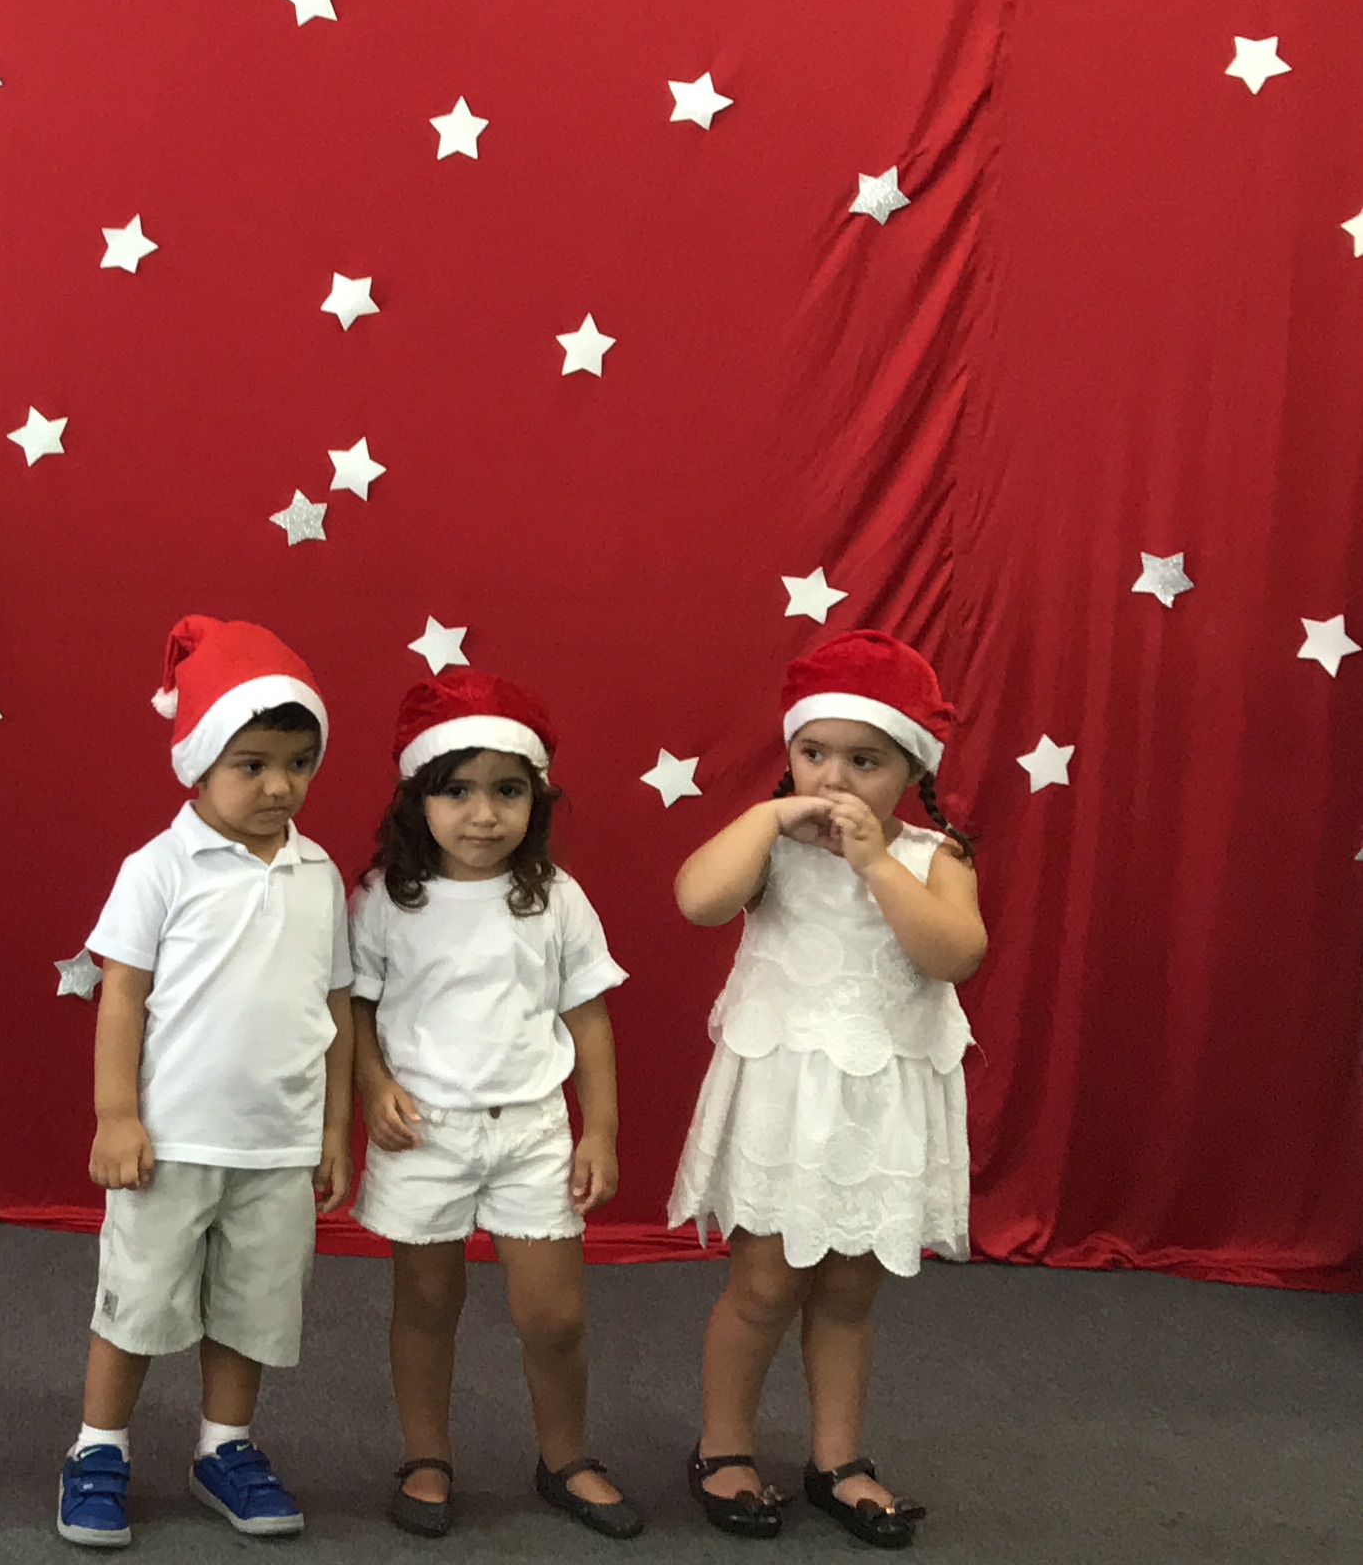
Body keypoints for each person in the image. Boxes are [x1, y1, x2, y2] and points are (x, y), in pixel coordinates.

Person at [668, 630, 984, 1550]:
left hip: (878, 1105)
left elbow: (955, 954)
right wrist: (768, 820)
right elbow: (697, 899)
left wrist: (877, 864)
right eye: (814, 753)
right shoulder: (771, 844)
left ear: (912, 771)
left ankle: (837, 1459)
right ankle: (722, 1447)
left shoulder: (933, 857)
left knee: (849, 1292)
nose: (833, 778)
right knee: (764, 1284)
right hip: (786, 1100)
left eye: (865, 761)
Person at [57, 618, 356, 1549]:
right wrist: (117, 1115)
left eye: (298, 764)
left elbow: (336, 1009)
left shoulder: (320, 875)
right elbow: (121, 996)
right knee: (138, 1304)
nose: (279, 786)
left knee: (253, 1311)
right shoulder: (159, 868)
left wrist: (332, 1131)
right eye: (252, 765)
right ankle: (98, 1448)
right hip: (174, 1140)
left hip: (277, 1146)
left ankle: (224, 1447)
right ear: (197, 764)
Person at [347, 671, 641, 1540]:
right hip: (422, 1133)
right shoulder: (385, 899)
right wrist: (374, 1087)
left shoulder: (555, 898)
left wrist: (600, 1131)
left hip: (532, 1132)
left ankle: (565, 1456)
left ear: (535, 800)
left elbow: (588, 1018)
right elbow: (355, 1008)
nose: (483, 815)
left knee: (554, 1315)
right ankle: (425, 1456)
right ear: (418, 799)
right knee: (426, 1303)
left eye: (507, 791)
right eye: (458, 792)